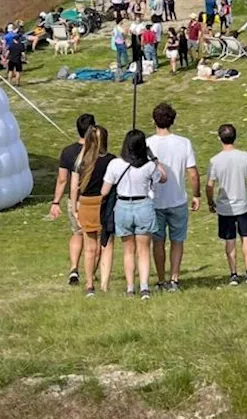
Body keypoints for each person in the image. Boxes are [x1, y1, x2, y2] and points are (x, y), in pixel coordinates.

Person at [101, 130, 168, 299]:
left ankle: (130, 287)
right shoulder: (149, 166)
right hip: (143, 206)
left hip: (123, 206)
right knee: (144, 250)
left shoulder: (115, 164)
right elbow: (163, 178)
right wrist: (153, 158)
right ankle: (144, 286)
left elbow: (104, 190)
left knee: (128, 251)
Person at [146, 103, 199, 293]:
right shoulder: (183, 143)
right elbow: (192, 173)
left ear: (154, 120)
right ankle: (174, 278)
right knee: (177, 241)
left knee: (158, 242)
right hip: (177, 199)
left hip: (155, 200)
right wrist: (197, 194)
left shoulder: (147, 143)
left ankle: (161, 279)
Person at [206, 124, 247, 285]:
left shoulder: (215, 160)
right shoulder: (244, 157)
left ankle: (233, 273)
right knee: (246, 236)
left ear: (219, 138)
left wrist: (210, 202)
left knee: (229, 239)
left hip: (225, 206)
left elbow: (210, 185)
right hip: (243, 203)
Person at [69, 124, 116, 296]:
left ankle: (89, 284)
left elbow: (74, 187)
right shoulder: (112, 160)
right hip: (105, 205)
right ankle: (104, 284)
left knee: (89, 247)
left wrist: (74, 208)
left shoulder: (81, 161)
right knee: (107, 245)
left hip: (86, 204)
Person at [50, 113, 94, 286]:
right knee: (93, 237)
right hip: (93, 199)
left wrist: (55, 202)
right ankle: (92, 272)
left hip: (74, 201)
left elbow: (62, 180)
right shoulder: (97, 152)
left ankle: (74, 268)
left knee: (77, 233)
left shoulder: (68, 152)